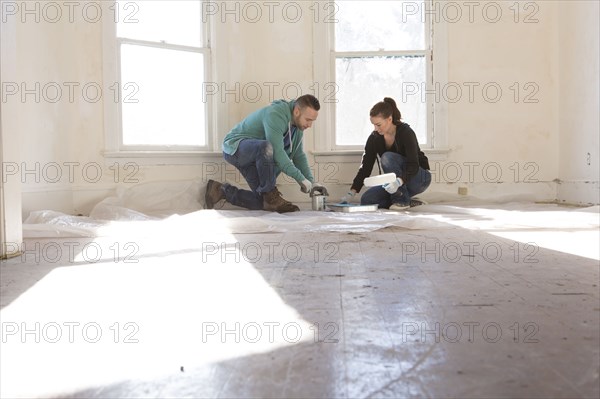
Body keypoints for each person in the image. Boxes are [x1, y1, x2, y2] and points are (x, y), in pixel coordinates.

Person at [205, 94, 325, 213]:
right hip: (236, 148)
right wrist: (300, 178)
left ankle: (221, 190)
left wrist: (311, 181)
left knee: (261, 202)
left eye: (312, 121)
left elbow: (298, 155)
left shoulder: (298, 128)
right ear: (297, 111)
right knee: (266, 146)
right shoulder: (276, 114)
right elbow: (277, 152)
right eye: (308, 120)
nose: (310, 125)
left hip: (257, 157)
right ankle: (270, 193)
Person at [341, 97, 431, 210]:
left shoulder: (406, 133)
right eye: (373, 125)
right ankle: (408, 200)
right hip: (396, 183)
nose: (375, 129)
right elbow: (365, 168)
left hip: (419, 178)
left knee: (387, 157)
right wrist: (351, 193)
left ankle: (402, 201)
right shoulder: (374, 138)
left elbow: (413, 165)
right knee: (367, 200)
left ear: (389, 119)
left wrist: (399, 181)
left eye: (378, 125)